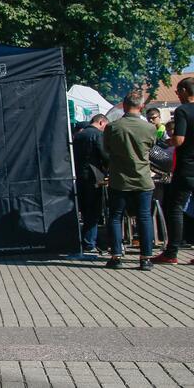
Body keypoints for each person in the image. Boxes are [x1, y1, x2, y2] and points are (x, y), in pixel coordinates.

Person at [103, 91, 156, 271]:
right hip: (143, 179)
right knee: (144, 217)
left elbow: (107, 149)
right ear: (141, 106)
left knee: (116, 217)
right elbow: (152, 147)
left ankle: (116, 256)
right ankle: (145, 258)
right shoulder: (149, 128)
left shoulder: (113, 127)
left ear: (124, 106)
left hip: (119, 180)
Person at [155, 77, 194, 265]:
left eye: (178, 91)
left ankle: (171, 253)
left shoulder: (182, 111)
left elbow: (179, 140)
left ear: (186, 90)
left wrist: (167, 142)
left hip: (187, 168)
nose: (177, 95)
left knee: (175, 208)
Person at [72, 114, 109, 253]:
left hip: (80, 175)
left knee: (85, 210)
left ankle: (86, 241)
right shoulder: (97, 135)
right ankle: (90, 243)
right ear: (101, 122)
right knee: (93, 211)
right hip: (95, 176)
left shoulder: (78, 136)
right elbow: (104, 156)